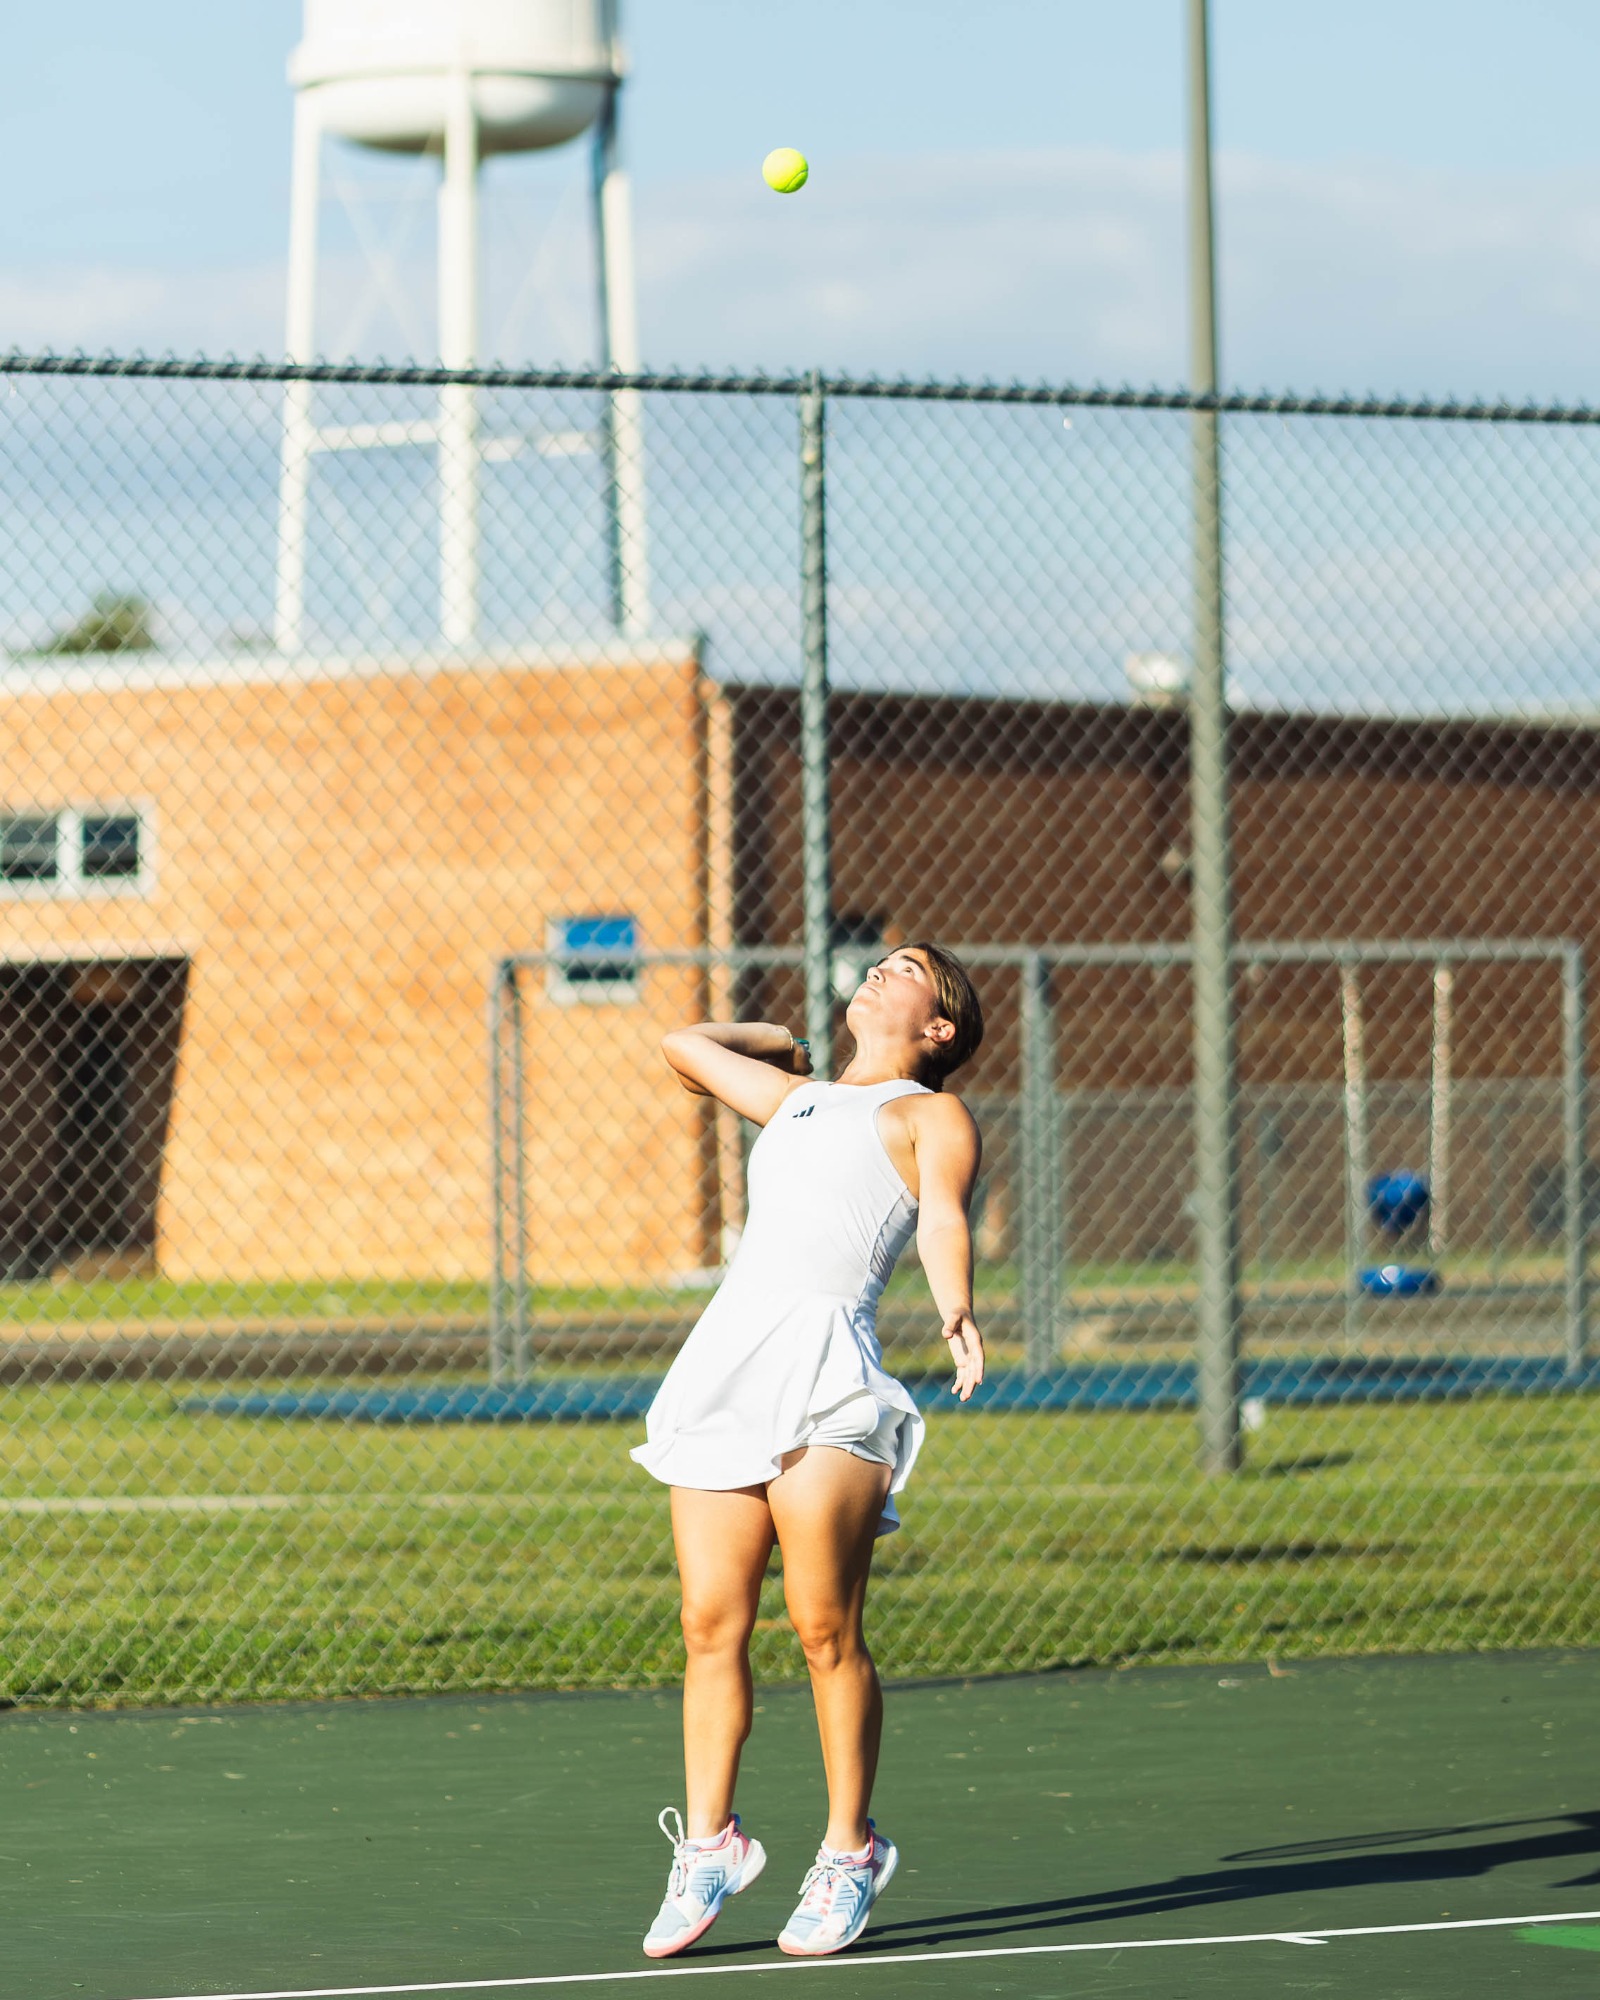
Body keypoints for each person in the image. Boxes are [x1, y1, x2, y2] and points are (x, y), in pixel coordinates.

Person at [631, 941, 985, 1960]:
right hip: (728, 1370)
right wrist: (786, 1039)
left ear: (940, 1026)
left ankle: (849, 1849)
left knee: (823, 1624)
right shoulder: (792, 1097)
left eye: (907, 967)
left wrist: (956, 1308)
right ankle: (710, 1845)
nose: (879, 968)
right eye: (877, 959)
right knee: (709, 1620)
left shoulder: (930, 1112)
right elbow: (682, 1042)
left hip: (830, 1377)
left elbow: (943, 1219)